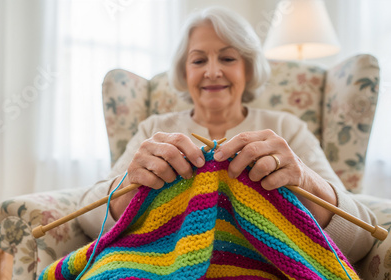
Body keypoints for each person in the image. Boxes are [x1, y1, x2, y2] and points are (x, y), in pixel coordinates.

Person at [77, 7, 376, 264]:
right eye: (198, 60)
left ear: (248, 68)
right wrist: (130, 183)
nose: (212, 71)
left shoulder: (286, 129)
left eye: (228, 58)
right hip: (160, 268)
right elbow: (89, 218)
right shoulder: (153, 129)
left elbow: (360, 236)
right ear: (184, 72)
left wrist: (305, 180)